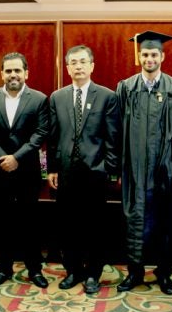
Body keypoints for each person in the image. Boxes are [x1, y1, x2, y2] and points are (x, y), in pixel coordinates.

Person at [116, 30, 172, 295]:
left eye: (154, 54)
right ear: (139, 57)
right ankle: (134, 273)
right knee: (136, 221)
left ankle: (164, 273)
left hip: (167, 169)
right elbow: (116, 130)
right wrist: (119, 168)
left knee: (165, 223)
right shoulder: (126, 87)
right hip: (135, 169)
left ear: (162, 56)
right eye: (145, 54)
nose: (149, 58)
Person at [47, 45, 120, 294]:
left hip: (95, 173)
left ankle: (93, 274)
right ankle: (73, 271)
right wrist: (53, 169)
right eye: (73, 63)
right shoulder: (57, 97)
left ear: (92, 66)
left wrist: (109, 169)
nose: (78, 66)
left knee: (95, 227)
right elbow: (54, 136)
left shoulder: (107, 96)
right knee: (68, 226)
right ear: (67, 68)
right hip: (66, 173)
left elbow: (112, 137)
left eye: (82, 62)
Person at [0, 52, 49, 289]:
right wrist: (2, 157)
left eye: (17, 70)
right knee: (2, 223)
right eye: (8, 71)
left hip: (27, 170)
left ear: (26, 73)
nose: (13, 75)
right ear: (2, 74)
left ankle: (35, 270)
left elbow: (41, 133)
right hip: (0, 171)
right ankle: (3, 269)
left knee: (30, 223)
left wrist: (17, 157)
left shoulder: (39, 99)